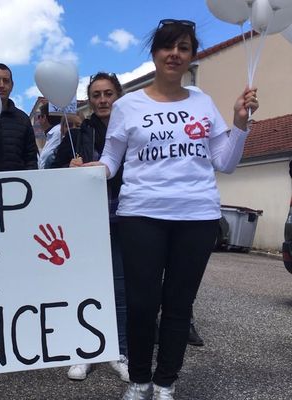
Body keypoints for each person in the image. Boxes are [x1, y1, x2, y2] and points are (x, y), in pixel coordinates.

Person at [89, 20, 259, 399]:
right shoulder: (127, 105)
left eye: (183, 48)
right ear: (154, 54)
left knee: (179, 305)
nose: (175, 54)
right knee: (142, 303)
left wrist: (240, 125)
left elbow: (224, 162)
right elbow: (111, 160)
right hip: (141, 215)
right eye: (168, 47)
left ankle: (166, 382)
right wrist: (89, 171)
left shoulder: (203, 101)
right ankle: (138, 380)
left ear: (191, 56)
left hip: (196, 217)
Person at [57, 72, 129, 383]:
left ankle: (121, 349)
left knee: (120, 288)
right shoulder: (78, 132)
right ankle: (83, 350)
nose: (102, 100)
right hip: (86, 220)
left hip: (124, 216)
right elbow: (53, 171)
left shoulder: (132, 128)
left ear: (118, 95)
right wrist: (68, 167)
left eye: (108, 94)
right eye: (96, 95)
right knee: (84, 285)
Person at [36, 101, 62, 169]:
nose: (38, 120)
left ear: (44, 117)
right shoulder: (52, 133)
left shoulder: (58, 133)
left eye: (39, 117)